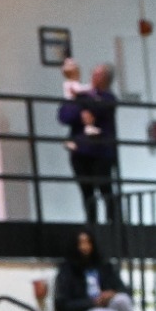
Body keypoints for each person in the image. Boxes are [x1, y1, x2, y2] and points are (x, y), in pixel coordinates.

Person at [51, 229, 141, 311]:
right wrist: (92, 302)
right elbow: (64, 306)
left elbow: (126, 291)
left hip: (106, 306)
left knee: (122, 299)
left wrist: (112, 293)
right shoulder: (67, 271)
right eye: (81, 243)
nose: (85, 247)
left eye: (88, 243)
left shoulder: (104, 266)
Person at [57, 60, 119, 223]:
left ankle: (113, 222)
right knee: (86, 191)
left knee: (105, 188)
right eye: (93, 72)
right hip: (80, 151)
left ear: (106, 78)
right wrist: (82, 108)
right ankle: (91, 223)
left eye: (98, 74)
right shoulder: (83, 95)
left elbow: (101, 109)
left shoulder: (108, 97)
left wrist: (81, 101)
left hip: (100, 151)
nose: (93, 76)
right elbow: (64, 116)